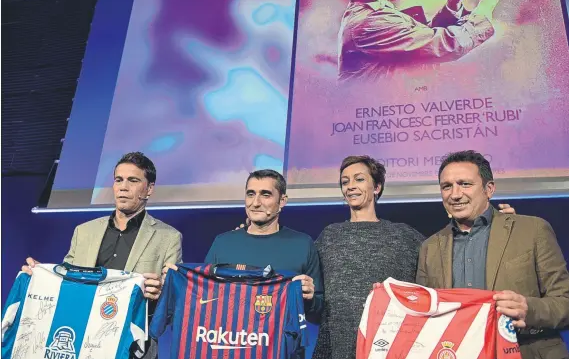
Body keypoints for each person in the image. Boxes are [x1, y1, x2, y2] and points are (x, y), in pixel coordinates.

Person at [312, 155, 518, 359]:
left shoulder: (404, 235)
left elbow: (447, 255)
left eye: (359, 179)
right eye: (344, 182)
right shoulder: (329, 235)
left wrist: (497, 225)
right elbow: (314, 291)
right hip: (336, 342)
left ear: (377, 187)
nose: (350, 186)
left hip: (392, 343)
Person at [22, 151, 183, 359]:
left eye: (133, 180)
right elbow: (65, 281)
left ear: (149, 188)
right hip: (82, 339)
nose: (123, 187)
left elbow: (173, 309)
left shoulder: (168, 238)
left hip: (133, 348)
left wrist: (163, 295)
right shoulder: (85, 232)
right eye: (118, 180)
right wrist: (41, 275)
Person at [416, 150, 569, 359]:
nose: (455, 194)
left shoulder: (532, 230)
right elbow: (424, 314)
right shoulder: (430, 247)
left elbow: (565, 301)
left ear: (489, 189)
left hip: (527, 352)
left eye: (465, 184)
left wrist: (529, 309)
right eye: (447, 186)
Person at [338, 0, 506, 81]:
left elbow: (421, 39)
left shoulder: (373, 15)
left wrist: (453, 3)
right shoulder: (370, 22)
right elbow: (447, 44)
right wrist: (487, 2)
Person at [196, 169, 323, 323]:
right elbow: (201, 297)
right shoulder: (223, 243)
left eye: (265, 194)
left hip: (280, 344)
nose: (255, 203)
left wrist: (309, 299)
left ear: (282, 201)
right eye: (250, 194)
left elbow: (318, 311)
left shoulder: (302, 244)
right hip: (228, 341)